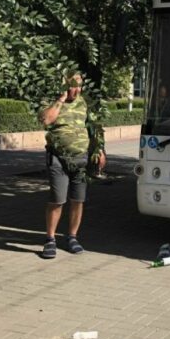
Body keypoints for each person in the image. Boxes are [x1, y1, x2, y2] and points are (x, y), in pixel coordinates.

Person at [38, 72, 105, 259]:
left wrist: (99, 150)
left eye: (78, 85)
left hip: (81, 159)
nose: (75, 89)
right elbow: (45, 120)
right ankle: (50, 239)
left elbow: (95, 127)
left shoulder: (85, 103)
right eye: (71, 85)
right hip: (58, 159)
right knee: (57, 199)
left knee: (78, 200)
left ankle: (72, 237)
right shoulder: (49, 101)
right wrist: (60, 100)